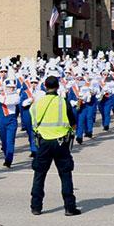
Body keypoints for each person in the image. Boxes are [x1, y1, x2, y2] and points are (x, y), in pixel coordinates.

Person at [29, 75, 81, 216]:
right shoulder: (62, 102)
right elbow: (72, 121)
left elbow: (32, 121)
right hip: (61, 142)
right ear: (58, 87)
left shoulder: (38, 103)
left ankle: (36, 206)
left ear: (45, 86)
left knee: (39, 174)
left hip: (44, 141)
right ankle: (69, 207)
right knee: (65, 174)